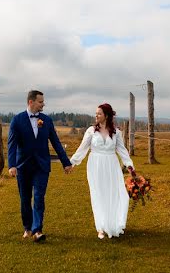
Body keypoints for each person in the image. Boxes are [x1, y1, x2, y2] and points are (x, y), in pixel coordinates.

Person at [8, 90, 73, 242]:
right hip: (23, 166)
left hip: (42, 166)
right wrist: (12, 165)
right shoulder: (17, 120)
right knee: (25, 198)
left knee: (38, 197)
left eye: (43, 102)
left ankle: (37, 230)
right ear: (31, 102)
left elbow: (56, 142)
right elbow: (11, 145)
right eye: (40, 101)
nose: (43, 104)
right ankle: (27, 227)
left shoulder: (47, 120)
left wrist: (66, 162)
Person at [69, 103, 135, 239]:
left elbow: (122, 151)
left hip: (112, 165)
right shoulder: (91, 131)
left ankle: (114, 223)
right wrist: (71, 163)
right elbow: (82, 148)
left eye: (99, 113)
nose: (96, 116)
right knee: (98, 194)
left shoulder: (116, 132)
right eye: (96, 113)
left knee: (115, 194)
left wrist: (129, 166)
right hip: (96, 165)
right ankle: (101, 227)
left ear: (106, 116)